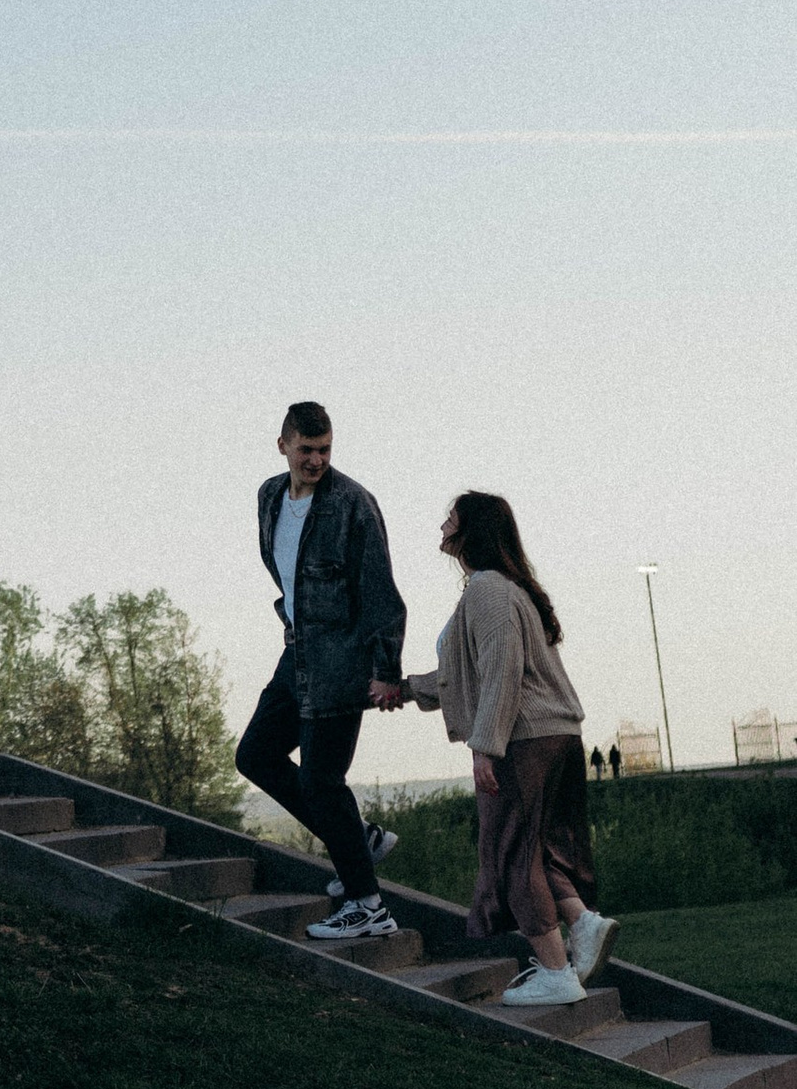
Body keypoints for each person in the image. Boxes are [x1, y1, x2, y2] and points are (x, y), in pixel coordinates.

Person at [401, 491, 609, 1008]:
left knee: (509, 854)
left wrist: (485, 748)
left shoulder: (488, 590)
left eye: (449, 519)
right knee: (535, 848)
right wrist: (403, 690)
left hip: (524, 742)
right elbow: (465, 675)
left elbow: (502, 671)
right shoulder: (506, 588)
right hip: (557, 735)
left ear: (471, 531)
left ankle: (556, 973)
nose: (441, 526)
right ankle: (583, 924)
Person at [235, 402, 410, 944]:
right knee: (256, 755)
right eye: (306, 449)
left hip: (342, 660)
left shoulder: (354, 505)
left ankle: (367, 904)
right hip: (298, 653)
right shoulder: (269, 496)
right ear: (283, 444)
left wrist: (385, 669)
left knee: (320, 778)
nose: (316, 460)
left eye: (325, 450)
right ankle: (358, 839)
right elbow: (282, 569)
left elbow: (380, 590)